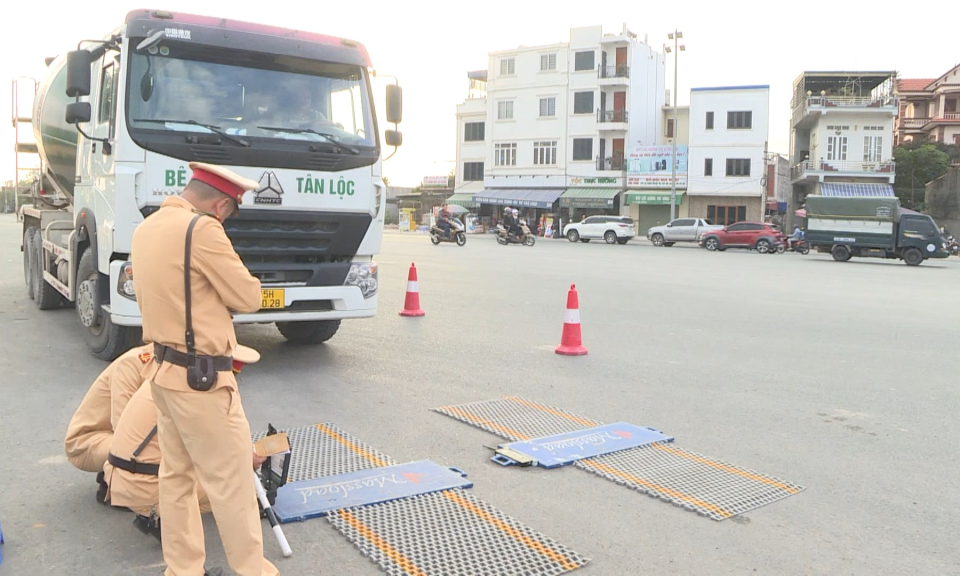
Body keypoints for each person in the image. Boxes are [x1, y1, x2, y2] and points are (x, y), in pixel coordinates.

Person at [131, 162, 278, 576]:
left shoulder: (148, 228)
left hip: (164, 372)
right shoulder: (204, 231)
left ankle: (182, 570)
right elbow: (247, 296)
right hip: (203, 382)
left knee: (176, 478)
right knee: (230, 483)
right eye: (230, 212)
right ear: (220, 206)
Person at [103, 345, 261, 524]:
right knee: (239, 486)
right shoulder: (202, 394)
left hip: (117, 474)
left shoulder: (170, 375)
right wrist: (248, 461)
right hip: (143, 484)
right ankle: (160, 513)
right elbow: (217, 455)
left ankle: (161, 511)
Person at [65, 345, 155, 474]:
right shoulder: (133, 363)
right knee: (151, 452)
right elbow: (123, 430)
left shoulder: (172, 367)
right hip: (87, 441)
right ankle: (114, 482)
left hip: (123, 437)